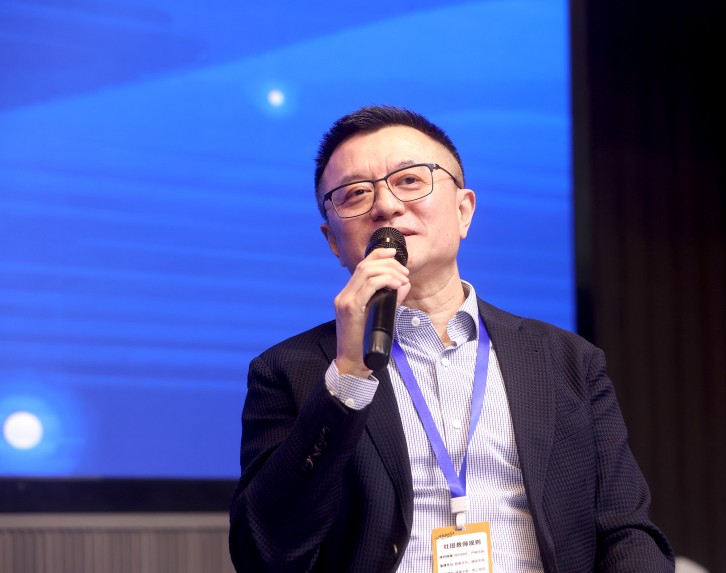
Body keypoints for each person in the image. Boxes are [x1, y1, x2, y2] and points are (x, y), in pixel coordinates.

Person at [229, 105, 674, 572]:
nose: (385, 206)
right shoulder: (288, 371)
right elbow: (264, 554)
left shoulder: (567, 361)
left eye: (409, 180)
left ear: (463, 211)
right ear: (333, 241)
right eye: (356, 193)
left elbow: (626, 531)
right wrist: (348, 375)